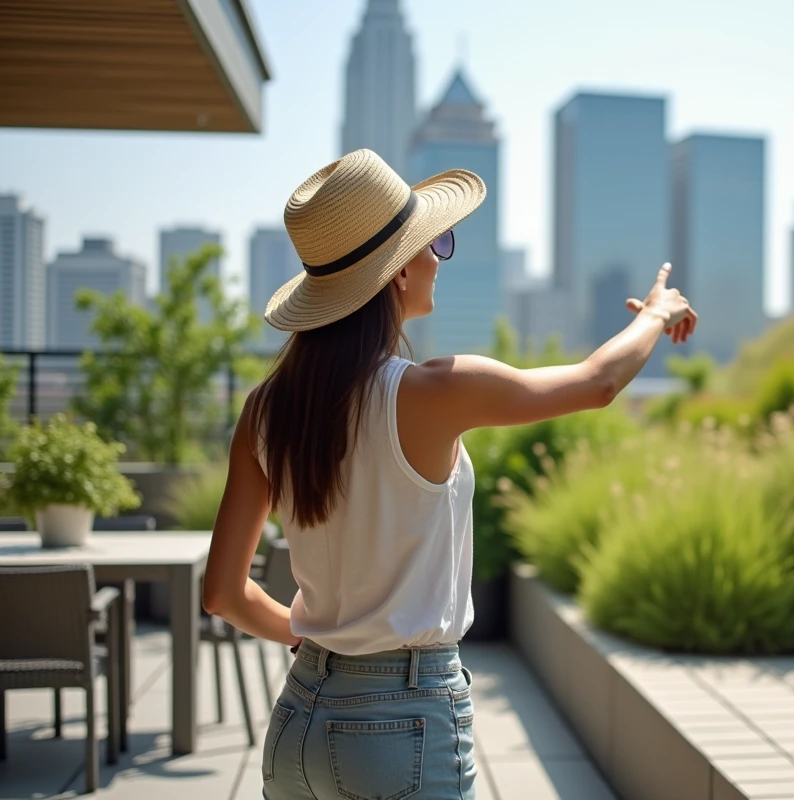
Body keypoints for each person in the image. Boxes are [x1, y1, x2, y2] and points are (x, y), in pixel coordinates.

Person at [201, 148, 697, 799]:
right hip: (400, 723)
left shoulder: (265, 410)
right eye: (434, 244)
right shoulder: (433, 391)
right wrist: (656, 316)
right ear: (399, 271)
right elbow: (597, 383)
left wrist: (314, 644)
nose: (439, 256)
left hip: (297, 722)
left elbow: (223, 595)